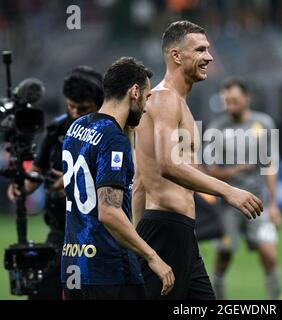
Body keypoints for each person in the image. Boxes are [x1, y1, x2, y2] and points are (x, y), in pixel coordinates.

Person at [132, 20, 263, 300]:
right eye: (201, 50)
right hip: (166, 229)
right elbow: (169, 165)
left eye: (209, 49)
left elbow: (141, 181)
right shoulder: (165, 99)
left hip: (177, 232)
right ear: (177, 56)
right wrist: (229, 191)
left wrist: (137, 244)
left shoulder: (174, 102)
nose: (209, 57)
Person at [61, 57, 174, 300]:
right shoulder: (113, 139)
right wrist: (153, 257)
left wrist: (129, 126)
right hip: (108, 269)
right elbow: (108, 211)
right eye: (146, 97)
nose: (146, 107)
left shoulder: (76, 127)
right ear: (135, 92)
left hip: (73, 265)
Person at [7, 65, 103, 300]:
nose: (74, 112)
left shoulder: (111, 131)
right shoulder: (56, 129)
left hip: (99, 232)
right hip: (61, 231)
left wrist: (72, 180)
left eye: (82, 109)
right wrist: (22, 185)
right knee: (43, 291)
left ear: (98, 104)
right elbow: (37, 172)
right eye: (71, 106)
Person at [205, 78, 282, 300]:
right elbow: (209, 170)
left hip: (257, 201)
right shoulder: (216, 128)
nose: (230, 105)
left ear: (246, 98)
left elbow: (270, 165)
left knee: (269, 253)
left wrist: (274, 204)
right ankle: (217, 300)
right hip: (227, 205)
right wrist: (234, 171)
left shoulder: (263, 123)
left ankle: (277, 299)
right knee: (224, 255)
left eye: (234, 100)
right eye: (227, 101)